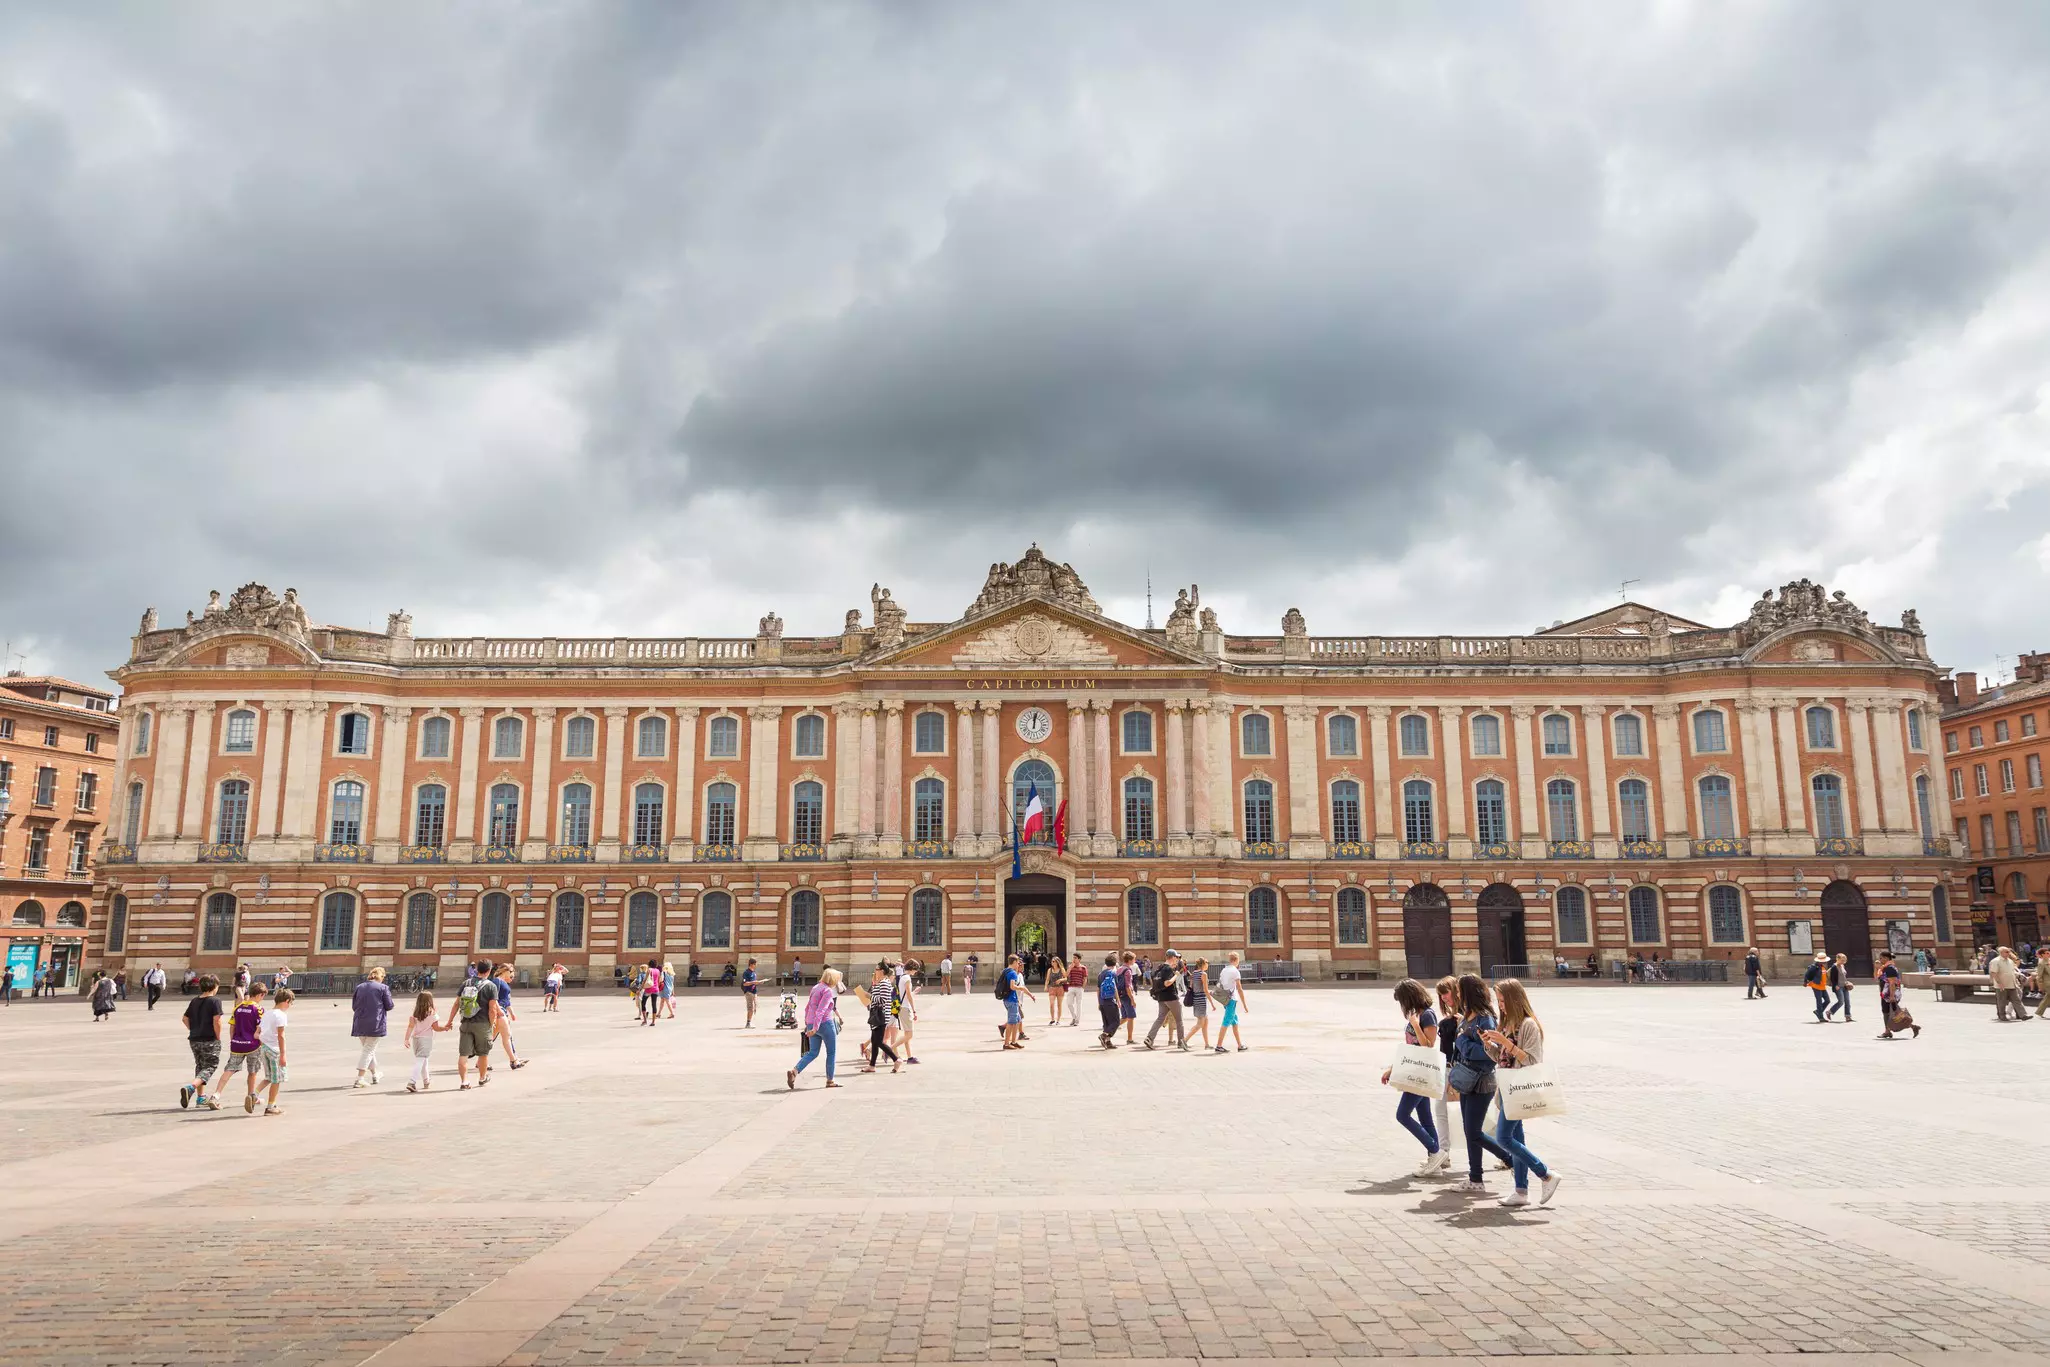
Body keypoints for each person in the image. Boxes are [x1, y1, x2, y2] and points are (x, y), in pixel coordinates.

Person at [1481, 979, 1564, 1207]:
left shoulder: (1529, 1025)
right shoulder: (1506, 1024)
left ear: (1515, 999)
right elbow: (1502, 1059)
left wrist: (1506, 1044)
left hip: (1520, 1088)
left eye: (1503, 1000)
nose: (1501, 1006)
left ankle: (1545, 1174)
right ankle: (1521, 1191)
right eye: (1498, 1001)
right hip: (1508, 1088)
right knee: (1516, 1138)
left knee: (1503, 1138)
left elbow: (1533, 1060)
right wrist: (1490, 1045)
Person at [1446, 975, 1518, 1196]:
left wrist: (1463, 1042)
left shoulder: (1484, 1019)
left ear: (1468, 992)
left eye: (1459, 991)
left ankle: (1510, 1159)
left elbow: (1489, 1054)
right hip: (1467, 1077)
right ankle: (1476, 1178)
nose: (1457, 995)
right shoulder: (1467, 1017)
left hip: (1482, 1080)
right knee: (1470, 1131)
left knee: (1474, 1131)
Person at [1383, 978, 1444, 1175]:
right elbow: (1411, 1048)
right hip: (1413, 1069)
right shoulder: (1416, 1015)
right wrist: (1393, 1069)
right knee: (1425, 1118)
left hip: (1422, 1072)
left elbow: (1428, 1045)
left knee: (1402, 1115)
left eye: (1402, 1001)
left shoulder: (1427, 1016)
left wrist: (1415, 1024)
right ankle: (1435, 1162)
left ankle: (1436, 1151)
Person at [787, 968, 845, 1088]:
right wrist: (816, 1027)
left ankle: (795, 1071)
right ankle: (830, 1080)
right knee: (831, 1052)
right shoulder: (827, 991)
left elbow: (808, 1007)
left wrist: (808, 1024)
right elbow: (821, 1010)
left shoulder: (815, 988)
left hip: (811, 1022)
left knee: (813, 1052)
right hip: (825, 1024)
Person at [448, 962, 502, 1089]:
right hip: (482, 1024)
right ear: (489, 971)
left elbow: (456, 1004)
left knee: (463, 1054)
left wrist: (449, 1021)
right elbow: (492, 1009)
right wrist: (492, 1023)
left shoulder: (465, 983)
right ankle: (482, 1078)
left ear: (477, 970)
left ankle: (464, 1081)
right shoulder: (491, 986)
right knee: (483, 1053)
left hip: (466, 1022)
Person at [179, 974, 227, 1110]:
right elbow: (217, 1020)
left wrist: (193, 1029)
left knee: (200, 1066)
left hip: (194, 1039)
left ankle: (201, 1098)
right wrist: (218, 1036)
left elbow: (184, 1018)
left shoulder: (194, 1000)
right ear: (215, 986)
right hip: (209, 1038)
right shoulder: (215, 1001)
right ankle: (191, 1087)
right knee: (210, 1066)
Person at [223, 983, 269, 1112]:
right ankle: (251, 1096)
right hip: (253, 1045)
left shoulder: (238, 1007)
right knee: (252, 1072)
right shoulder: (259, 1009)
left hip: (237, 1043)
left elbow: (232, 1026)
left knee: (230, 1069)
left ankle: (216, 1095)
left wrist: (233, 1039)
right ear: (260, 995)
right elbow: (260, 1029)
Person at [350, 966, 395, 1088]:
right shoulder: (383, 988)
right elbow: (389, 1005)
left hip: (359, 1023)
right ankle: (360, 1078)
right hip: (375, 1023)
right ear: (381, 976)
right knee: (368, 1050)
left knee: (368, 1050)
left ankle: (375, 1074)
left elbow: (354, 1006)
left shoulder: (359, 987)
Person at [1432, 976, 1460, 1153]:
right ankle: (1443, 1152)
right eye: (1440, 994)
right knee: (1440, 1109)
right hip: (1446, 1067)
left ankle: (1503, 1153)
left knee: (1473, 1116)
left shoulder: (1465, 1017)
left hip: (1461, 1070)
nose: (1443, 997)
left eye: (1445, 992)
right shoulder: (1448, 1020)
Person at [257, 988, 293, 1116]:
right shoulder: (281, 1015)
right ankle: (271, 1106)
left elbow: (258, 1031)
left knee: (268, 1077)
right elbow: (281, 1035)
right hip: (274, 1049)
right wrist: (283, 1055)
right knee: (276, 1079)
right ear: (287, 1001)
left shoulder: (267, 1013)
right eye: (290, 1003)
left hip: (264, 1048)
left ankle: (253, 1094)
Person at [860, 963, 901, 1074]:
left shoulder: (884, 983)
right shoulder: (881, 982)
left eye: (877, 969)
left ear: (882, 971)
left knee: (878, 1042)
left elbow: (883, 1000)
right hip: (877, 1014)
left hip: (881, 1015)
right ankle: (872, 1065)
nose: (875, 971)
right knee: (874, 1040)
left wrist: (869, 996)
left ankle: (896, 1059)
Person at [404, 991, 447, 1092]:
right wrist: (445, 1028)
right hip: (426, 1039)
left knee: (423, 1060)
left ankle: (426, 1080)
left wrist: (406, 1039)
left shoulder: (415, 1014)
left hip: (416, 1039)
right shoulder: (432, 1013)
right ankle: (412, 1081)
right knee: (420, 1060)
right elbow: (436, 1028)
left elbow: (410, 1026)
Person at [1145, 950, 1186, 1051]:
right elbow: (1167, 983)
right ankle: (1181, 1042)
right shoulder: (1168, 969)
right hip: (1171, 997)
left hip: (1161, 997)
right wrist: (1176, 975)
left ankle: (1149, 1038)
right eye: (1176, 957)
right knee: (1179, 1020)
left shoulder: (1160, 967)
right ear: (1172, 957)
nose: (1177, 959)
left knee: (1160, 1018)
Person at [1876, 951, 1918, 1039]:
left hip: (1889, 995)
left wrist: (1891, 996)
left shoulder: (1890, 968)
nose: (1880, 960)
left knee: (1888, 1012)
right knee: (1895, 1013)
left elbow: (1892, 983)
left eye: (1881, 958)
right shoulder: (1886, 967)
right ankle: (1913, 1026)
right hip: (1886, 994)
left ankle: (1887, 1031)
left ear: (1886, 958)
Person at [1213, 951, 1248, 1053]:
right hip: (1232, 999)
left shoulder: (1224, 970)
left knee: (1234, 1021)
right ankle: (1219, 1046)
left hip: (1225, 999)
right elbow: (1239, 988)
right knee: (1226, 1022)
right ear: (1236, 960)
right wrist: (1245, 1005)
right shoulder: (1235, 971)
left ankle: (1240, 1045)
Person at [493, 963, 525, 1067]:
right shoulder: (496, 981)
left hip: (502, 1011)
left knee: (490, 1039)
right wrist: (498, 1011)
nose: (512, 976)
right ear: (505, 971)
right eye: (511, 973)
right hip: (499, 1012)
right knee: (506, 1036)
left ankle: (480, 1062)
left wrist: (512, 1012)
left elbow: (507, 1000)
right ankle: (514, 1061)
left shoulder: (504, 982)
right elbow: (494, 998)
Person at [999, 953, 1034, 1049]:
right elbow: (1012, 986)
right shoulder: (1013, 973)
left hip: (1007, 999)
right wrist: (1021, 988)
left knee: (1017, 1020)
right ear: (1014, 962)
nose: (1019, 964)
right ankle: (1007, 1044)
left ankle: (1014, 1041)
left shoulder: (1005, 971)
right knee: (1011, 1022)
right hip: (1012, 1000)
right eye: (1018, 962)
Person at [1989, 945, 2029, 1022]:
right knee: (2002, 1001)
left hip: (2012, 984)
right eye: (2007, 952)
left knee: (2017, 1000)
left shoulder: (2010, 961)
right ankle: (2002, 1016)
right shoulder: (1996, 961)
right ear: (2001, 953)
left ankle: (2023, 1015)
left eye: (2009, 951)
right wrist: (1999, 983)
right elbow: (1994, 973)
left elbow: (2012, 972)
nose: (2009, 953)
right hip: (2001, 985)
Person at [892, 958, 920, 1064]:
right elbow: (908, 995)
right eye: (915, 969)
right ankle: (890, 1049)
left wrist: (914, 992)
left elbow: (906, 994)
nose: (916, 972)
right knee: (909, 1035)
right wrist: (914, 1010)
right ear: (912, 968)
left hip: (901, 1007)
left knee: (907, 1034)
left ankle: (910, 1057)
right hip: (906, 1008)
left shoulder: (902, 977)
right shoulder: (907, 978)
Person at [1095, 953, 1122, 1048]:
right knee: (1116, 1022)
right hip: (1111, 1001)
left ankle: (1108, 1042)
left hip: (1102, 1001)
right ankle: (1104, 1036)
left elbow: (1098, 989)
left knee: (1106, 1023)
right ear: (1115, 963)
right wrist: (1118, 1000)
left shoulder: (1101, 974)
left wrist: (1099, 1002)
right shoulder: (1114, 973)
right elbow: (1115, 988)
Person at [1116, 951, 1140, 1045]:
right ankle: (1130, 1039)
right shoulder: (1128, 971)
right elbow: (1128, 986)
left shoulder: (1119, 969)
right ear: (1130, 960)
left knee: (1125, 1017)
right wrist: (1132, 1000)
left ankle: (1109, 1029)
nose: (1135, 960)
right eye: (1134, 959)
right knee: (1131, 1017)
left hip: (1120, 995)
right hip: (1126, 996)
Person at [1803, 952, 1831, 1021]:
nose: (1825, 962)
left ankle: (1818, 1011)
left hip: (1822, 986)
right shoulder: (1814, 967)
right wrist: (1805, 982)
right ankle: (1820, 1017)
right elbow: (1807, 974)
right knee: (1819, 1001)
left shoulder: (1822, 966)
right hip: (1816, 986)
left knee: (1827, 1000)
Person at [1828, 953, 1854, 1022]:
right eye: (1842, 960)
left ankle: (1848, 1016)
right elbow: (1832, 978)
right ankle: (1830, 1012)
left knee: (1847, 1002)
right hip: (1838, 987)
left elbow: (1843, 976)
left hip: (1845, 986)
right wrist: (1835, 985)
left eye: (1844, 960)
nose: (1843, 962)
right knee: (1841, 1001)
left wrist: (1847, 982)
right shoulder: (1834, 967)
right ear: (1837, 959)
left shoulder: (1842, 966)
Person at [639, 956, 663, 1026]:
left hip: (649, 989)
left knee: (643, 1003)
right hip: (656, 989)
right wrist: (657, 987)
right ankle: (653, 1022)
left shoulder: (649, 970)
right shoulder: (658, 971)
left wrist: (640, 988)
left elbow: (645, 980)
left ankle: (645, 1020)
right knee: (654, 1004)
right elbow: (659, 981)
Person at [1065, 954, 1088, 1027]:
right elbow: (1066, 975)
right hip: (1071, 986)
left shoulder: (1083, 968)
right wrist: (1070, 968)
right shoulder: (1071, 966)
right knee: (1069, 1003)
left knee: (1079, 1004)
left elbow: (1085, 978)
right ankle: (1074, 1017)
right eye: (1073, 958)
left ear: (1079, 959)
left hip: (1079, 987)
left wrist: (1083, 988)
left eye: (1075, 958)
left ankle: (1077, 1021)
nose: (1074, 959)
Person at [1046, 955, 1067, 1026]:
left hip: (1060, 988)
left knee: (1059, 1005)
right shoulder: (1050, 970)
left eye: (1053, 961)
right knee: (1051, 1004)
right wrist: (1046, 986)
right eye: (1052, 961)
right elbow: (1047, 979)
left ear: (1057, 962)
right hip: (1052, 988)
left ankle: (1058, 1020)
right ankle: (1052, 1019)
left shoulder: (1062, 969)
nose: (1052, 963)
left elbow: (1066, 978)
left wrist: (1061, 979)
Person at [741, 957, 761, 1026]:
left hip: (754, 992)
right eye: (755, 964)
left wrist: (759, 982)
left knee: (755, 1007)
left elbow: (754, 982)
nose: (756, 965)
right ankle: (748, 1023)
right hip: (748, 992)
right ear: (751, 964)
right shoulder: (746, 973)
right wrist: (753, 982)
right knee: (750, 1008)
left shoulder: (754, 973)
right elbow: (745, 983)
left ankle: (750, 1021)